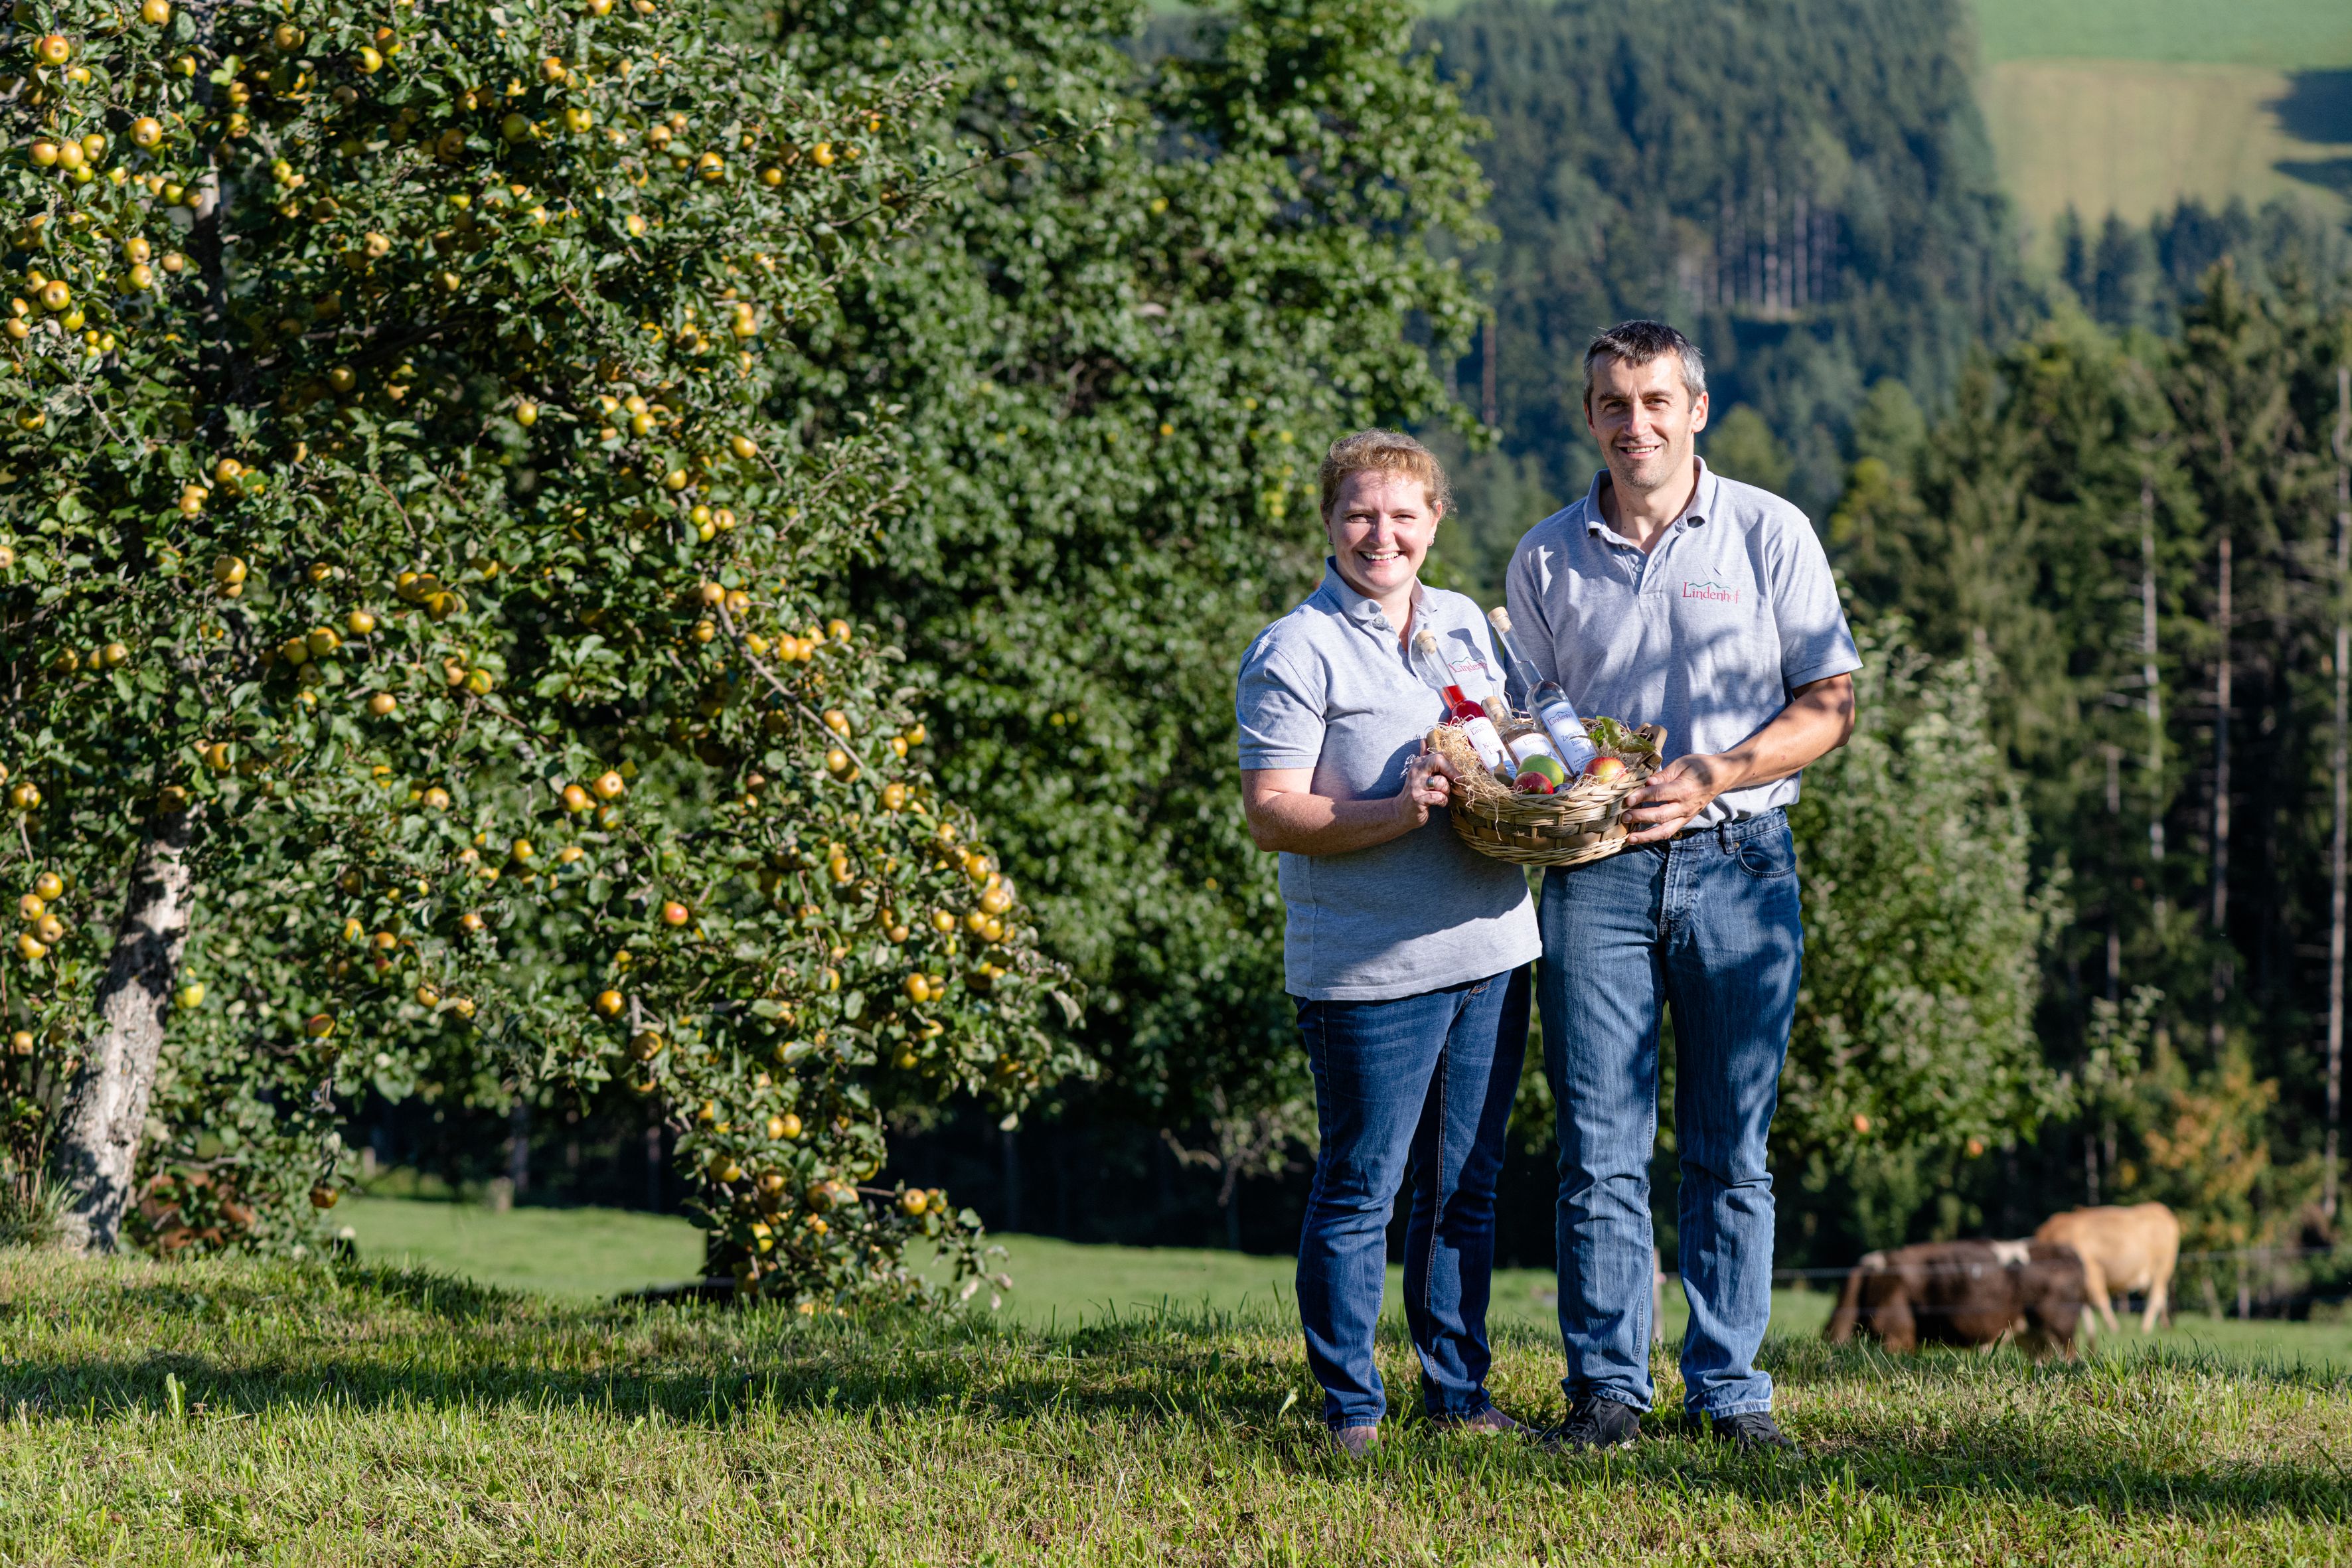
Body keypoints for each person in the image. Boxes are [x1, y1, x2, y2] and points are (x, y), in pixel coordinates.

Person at [1504, 321, 1859, 1453]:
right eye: (1613, 402)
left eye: (1657, 400)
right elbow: (1528, 730)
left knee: (1729, 1146)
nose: (1635, 422)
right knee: (1598, 1145)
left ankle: (1731, 1392)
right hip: (1595, 876)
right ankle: (1609, 1390)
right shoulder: (1546, 557)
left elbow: (1831, 704)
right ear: (1591, 413)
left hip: (1742, 864)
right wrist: (1536, 781)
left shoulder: (1770, 532)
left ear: (1696, 409)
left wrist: (1716, 771)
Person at [1236, 430, 1539, 1456]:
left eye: (1404, 514)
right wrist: (1391, 807)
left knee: (1467, 1185)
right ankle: (1351, 1410)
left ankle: (1459, 1394)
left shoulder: (1462, 623)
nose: (1383, 533)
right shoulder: (1295, 649)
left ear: (1436, 521)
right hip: (1370, 971)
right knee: (1364, 1185)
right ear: (1328, 523)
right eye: (1361, 514)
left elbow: (1498, 739)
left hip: (1493, 947)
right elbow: (1274, 813)